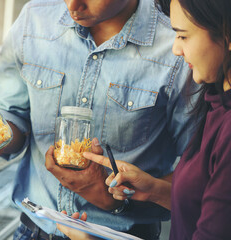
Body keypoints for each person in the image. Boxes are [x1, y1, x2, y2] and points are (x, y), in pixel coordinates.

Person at [0, 0, 195, 239]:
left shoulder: (179, 41)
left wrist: (115, 199)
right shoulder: (33, 19)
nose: (72, 5)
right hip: (33, 230)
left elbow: (198, 172)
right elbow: (14, 114)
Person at [59, 0, 231, 239]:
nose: (176, 50)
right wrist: (153, 190)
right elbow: (204, 206)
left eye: (183, 36)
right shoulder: (215, 105)